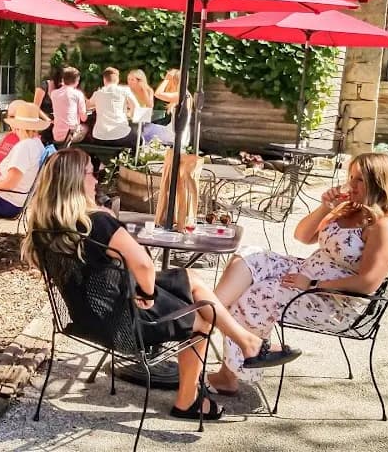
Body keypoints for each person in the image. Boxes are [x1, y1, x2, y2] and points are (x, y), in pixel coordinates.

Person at [22, 148, 302, 419]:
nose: (96, 178)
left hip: (87, 319)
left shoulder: (44, 227)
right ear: (74, 181)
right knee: (203, 318)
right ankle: (188, 402)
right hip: (122, 325)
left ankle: (248, 342)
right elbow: (142, 263)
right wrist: (148, 294)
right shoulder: (98, 224)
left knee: (190, 278)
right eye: (91, 173)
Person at [207, 152, 388, 396]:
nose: (351, 185)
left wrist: (312, 283)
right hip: (303, 273)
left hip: (332, 299)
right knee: (251, 255)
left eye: (359, 180)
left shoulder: (386, 226)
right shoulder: (350, 209)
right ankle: (208, 313)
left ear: (379, 183)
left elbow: (367, 283)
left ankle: (225, 369)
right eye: (351, 177)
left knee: (256, 294)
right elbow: (302, 236)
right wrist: (326, 206)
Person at [88, 67, 138, 147]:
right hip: (121, 135)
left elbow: (88, 106)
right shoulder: (125, 91)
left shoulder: (97, 93)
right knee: (139, 139)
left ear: (104, 79)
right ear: (117, 79)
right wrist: (129, 114)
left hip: (99, 137)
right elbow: (136, 108)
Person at [154, 68, 191, 148]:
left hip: (174, 134)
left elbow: (158, 93)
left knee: (146, 130)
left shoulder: (181, 95)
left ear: (174, 81)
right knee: (149, 128)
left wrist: (167, 79)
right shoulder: (185, 94)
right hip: (176, 132)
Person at [50, 66, 89, 144]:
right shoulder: (78, 94)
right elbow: (84, 118)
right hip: (71, 135)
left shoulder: (53, 94)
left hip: (57, 134)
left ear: (62, 79)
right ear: (77, 81)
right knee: (86, 128)